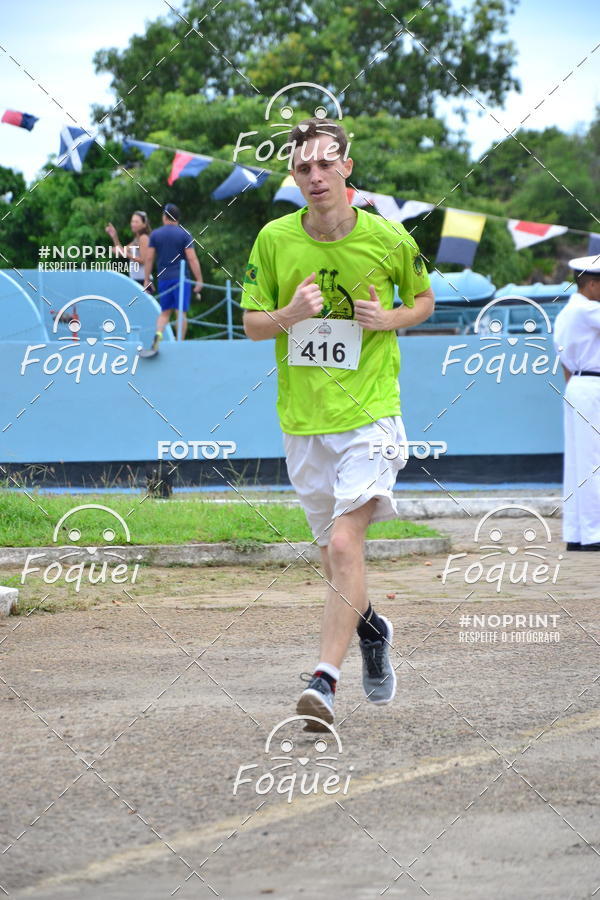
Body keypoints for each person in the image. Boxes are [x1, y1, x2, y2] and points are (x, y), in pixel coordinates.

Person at [241, 118, 434, 728]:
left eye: (326, 164)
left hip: (370, 413)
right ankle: (372, 629)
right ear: (293, 176)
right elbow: (252, 324)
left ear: (346, 167)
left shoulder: (388, 236)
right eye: (304, 168)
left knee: (347, 544)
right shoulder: (274, 239)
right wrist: (291, 312)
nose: (316, 176)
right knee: (333, 559)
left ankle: (323, 681)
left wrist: (388, 319)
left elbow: (424, 301)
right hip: (303, 421)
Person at [553, 254, 600, 551]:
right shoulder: (588, 309)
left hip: (578, 385)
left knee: (578, 463)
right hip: (593, 385)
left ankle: (577, 533)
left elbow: (564, 362)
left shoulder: (567, 312)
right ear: (592, 285)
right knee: (593, 462)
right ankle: (594, 533)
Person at [143, 204, 203, 352]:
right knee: (180, 312)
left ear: (165, 217)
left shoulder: (155, 234)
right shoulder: (185, 234)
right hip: (181, 279)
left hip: (163, 278)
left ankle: (158, 335)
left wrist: (147, 279)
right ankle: (179, 342)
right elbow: (192, 258)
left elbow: (149, 258)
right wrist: (199, 279)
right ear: (177, 218)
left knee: (165, 312)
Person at [105, 210, 151, 286]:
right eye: (132, 221)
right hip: (136, 279)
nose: (133, 224)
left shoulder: (144, 238)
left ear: (144, 224)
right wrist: (114, 236)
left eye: (136, 222)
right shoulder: (136, 239)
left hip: (143, 280)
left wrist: (126, 254)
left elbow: (143, 260)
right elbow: (122, 251)